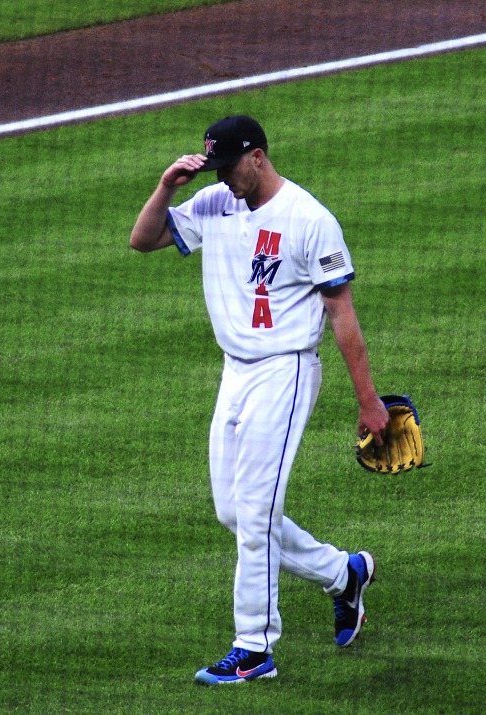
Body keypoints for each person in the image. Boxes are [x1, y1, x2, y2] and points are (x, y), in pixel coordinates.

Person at [130, 115, 390, 685]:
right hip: (235, 372)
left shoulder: (308, 218)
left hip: (287, 371)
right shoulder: (213, 203)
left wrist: (369, 402)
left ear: (258, 156)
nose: (225, 180)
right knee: (234, 511)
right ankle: (343, 574)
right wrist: (167, 187)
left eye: (231, 168)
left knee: (255, 513)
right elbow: (143, 239)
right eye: (216, 169)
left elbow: (341, 313)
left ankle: (254, 648)